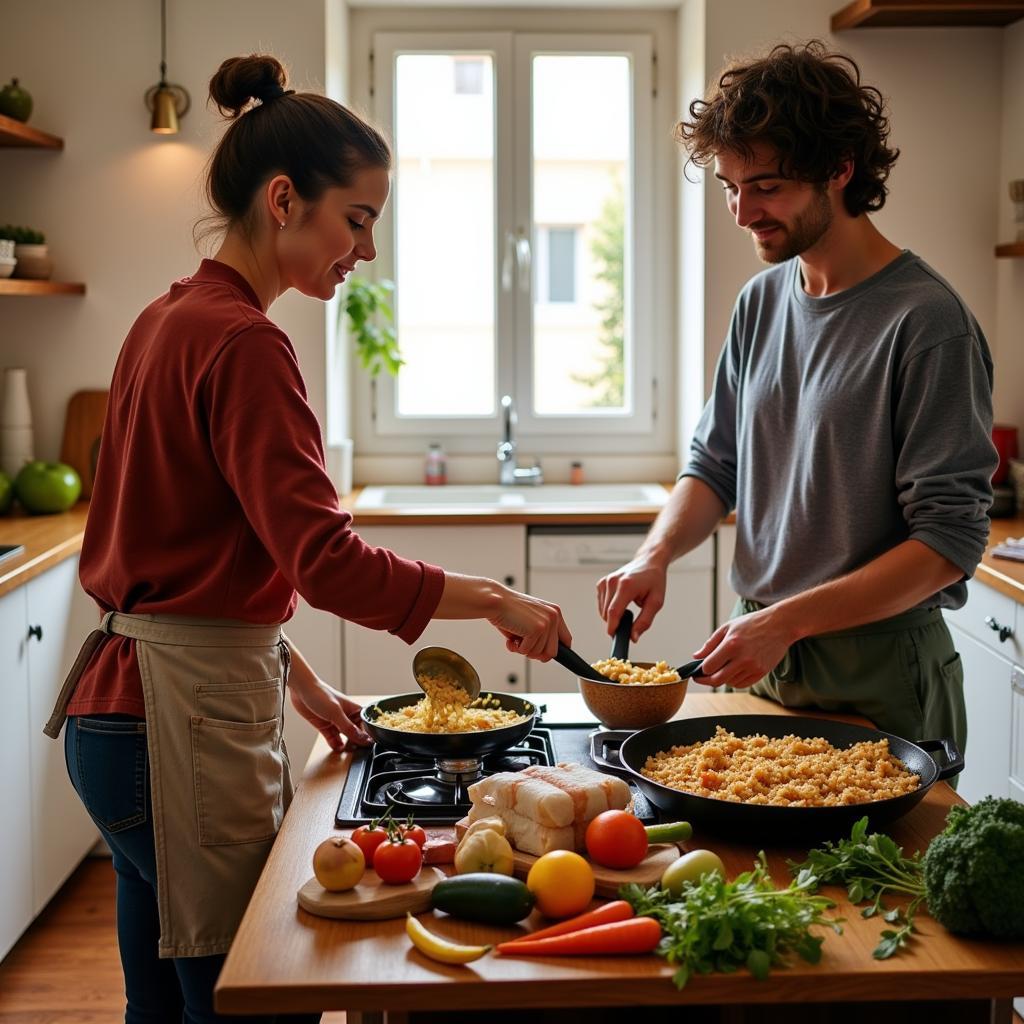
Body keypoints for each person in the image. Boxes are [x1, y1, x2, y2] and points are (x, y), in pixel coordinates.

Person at [42, 54, 569, 1024]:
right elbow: (323, 559)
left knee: (163, 1001)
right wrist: (494, 597)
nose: (365, 251)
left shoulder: (167, 319)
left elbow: (189, 557)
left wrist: (297, 677)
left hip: (116, 716)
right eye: (357, 219)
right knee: (248, 1002)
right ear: (284, 200)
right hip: (176, 725)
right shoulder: (244, 341)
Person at [597, 41, 996, 751]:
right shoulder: (762, 302)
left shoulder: (927, 322)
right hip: (767, 656)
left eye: (768, 186)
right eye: (729, 186)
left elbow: (948, 541)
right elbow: (716, 464)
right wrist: (652, 556)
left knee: (879, 864)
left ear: (838, 170)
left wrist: (788, 620)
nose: (743, 211)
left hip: (878, 665)